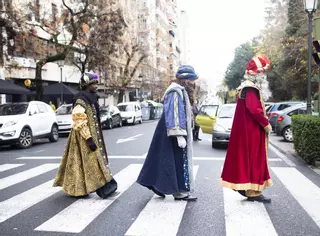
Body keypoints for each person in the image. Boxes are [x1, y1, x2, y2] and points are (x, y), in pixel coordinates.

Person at [137, 65, 198, 201]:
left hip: (169, 131)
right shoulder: (175, 92)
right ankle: (179, 191)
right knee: (175, 161)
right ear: (184, 79)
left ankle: (156, 184)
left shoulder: (179, 90)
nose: (193, 82)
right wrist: (178, 134)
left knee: (161, 158)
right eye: (191, 79)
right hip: (172, 132)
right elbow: (174, 113)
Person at [53, 72, 117, 198]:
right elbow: (79, 119)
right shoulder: (81, 100)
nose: (96, 86)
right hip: (82, 138)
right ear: (87, 85)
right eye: (93, 84)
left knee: (88, 162)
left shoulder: (90, 98)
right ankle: (81, 188)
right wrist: (88, 138)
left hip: (91, 136)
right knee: (83, 162)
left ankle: (93, 186)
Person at [220, 54, 273, 203]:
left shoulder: (246, 87)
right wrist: (265, 124)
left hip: (248, 131)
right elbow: (254, 110)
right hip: (252, 131)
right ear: (257, 74)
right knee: (254, 160)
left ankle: (250, 189)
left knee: (249, 160)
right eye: (263, 73)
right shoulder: (251, 88)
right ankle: (252, 191)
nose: (264, 76)